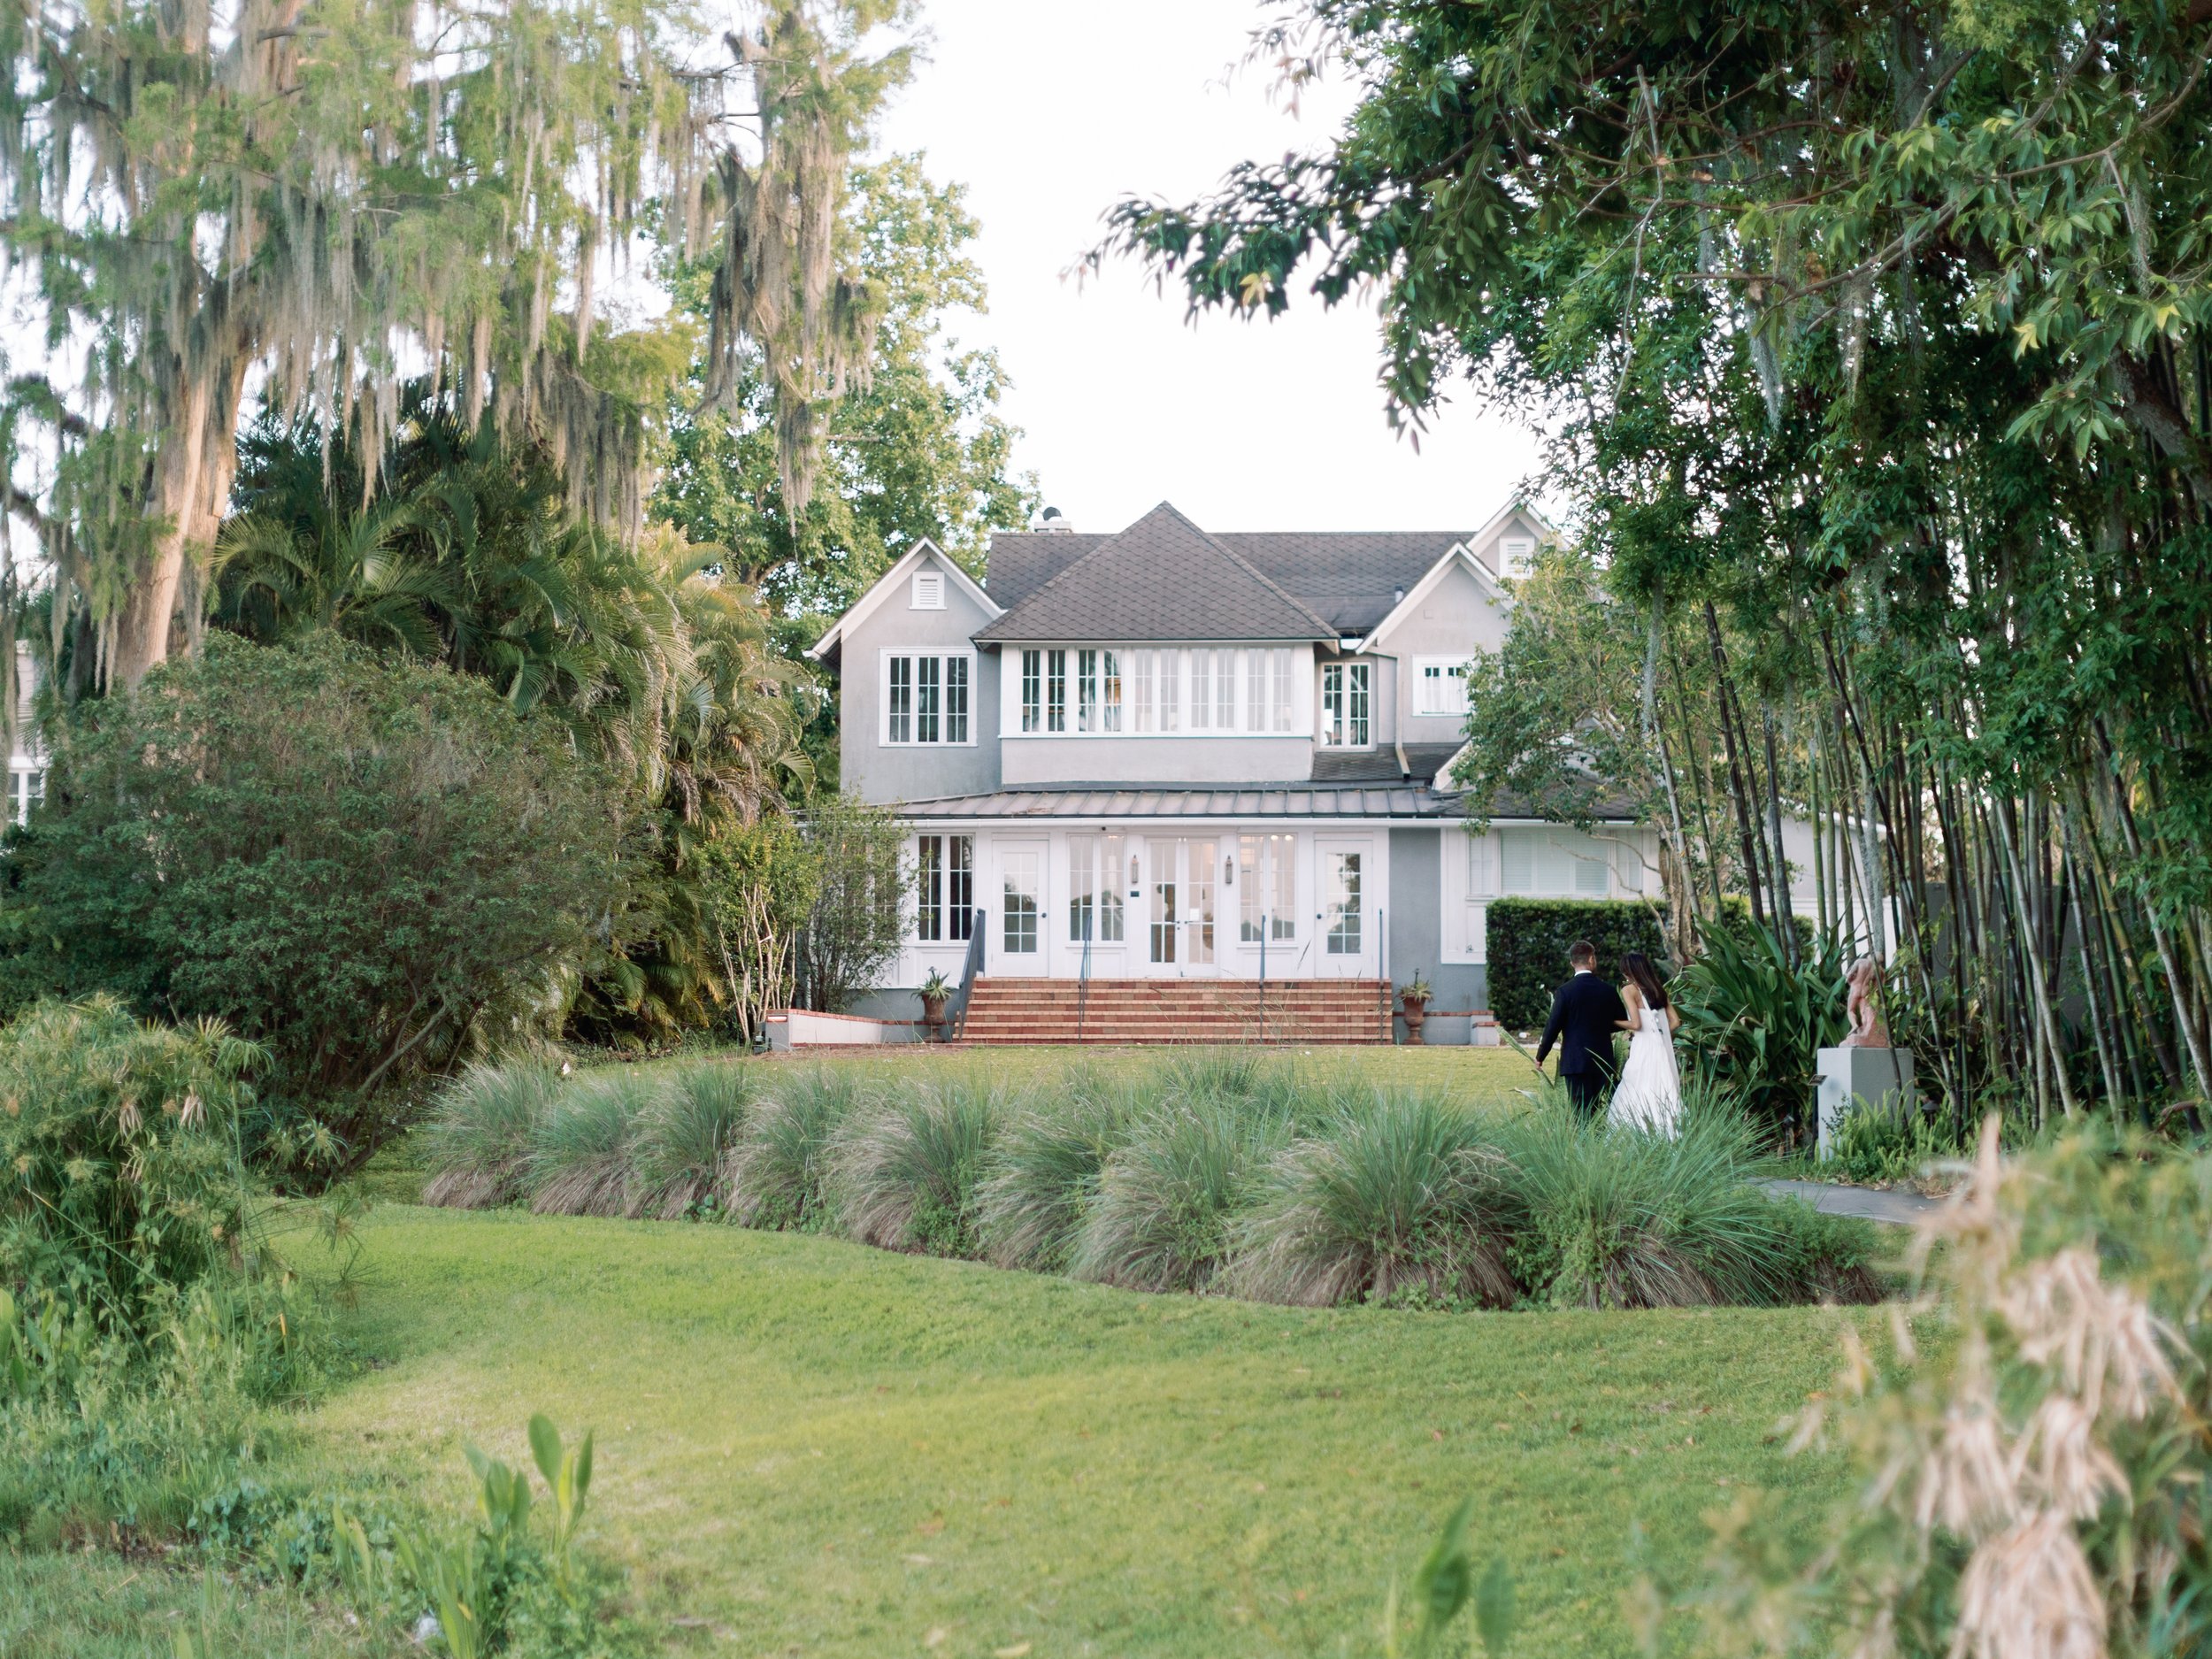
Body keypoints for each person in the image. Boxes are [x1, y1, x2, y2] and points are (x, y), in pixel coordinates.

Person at [1535, 939, 1627, 1117]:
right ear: (1592, 959)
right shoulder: (1607, 990)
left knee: (1580, 1113)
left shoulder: (1565, 992)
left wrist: (1541, 1055)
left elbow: (1553, 1026)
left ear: (1572, 963)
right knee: (1601, 1111)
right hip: (1603, 1059)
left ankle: (1583, 1144)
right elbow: (1620, 1021)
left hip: (1575, 1060)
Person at [1609, 950, 1683, 1136]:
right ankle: (1666, 1131)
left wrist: (1610, 1021)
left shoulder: (1629, 990)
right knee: (1661, 1086)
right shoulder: (1658, 988)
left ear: (1629, 971)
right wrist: (1661, 1035)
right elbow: (1675, 1021)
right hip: (1660, 1048)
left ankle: (1639, 1132)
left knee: (1636, 1084)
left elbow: (1635, 1024)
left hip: (1643, 1046)